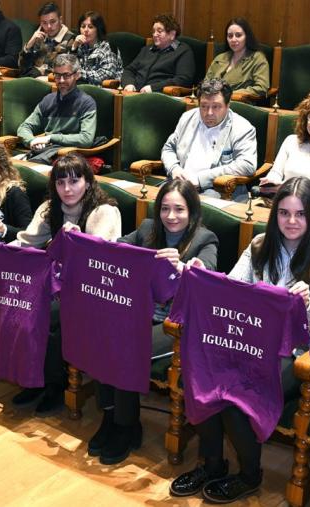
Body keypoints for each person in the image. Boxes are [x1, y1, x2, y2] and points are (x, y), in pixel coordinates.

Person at [170, 176, 310, 503]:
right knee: (200, 374)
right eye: (284, 213)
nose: (291, 222)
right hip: (246, 341)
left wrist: (307, 305)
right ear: (274, 214)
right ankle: (212, 464)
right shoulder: (259, 245)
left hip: (296, 354)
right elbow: (233, 291)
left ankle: (250, 475)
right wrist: (202, 276)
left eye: (300, 214)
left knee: (238, 395)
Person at [90, 179, 218, 465]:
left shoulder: (205, 239)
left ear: (192, 212)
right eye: (165, 208)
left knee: (125, 348)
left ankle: (127, 426)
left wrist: (184, 269)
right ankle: (110, 417)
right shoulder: (148, 229)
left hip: (176, 325)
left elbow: (208, 279)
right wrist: (87, 237)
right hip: (139, 313)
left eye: (179, 209)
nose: (171, 216)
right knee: (101, 336)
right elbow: (114, 250)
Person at [10, 152, 121, 413]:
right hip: (60, 286)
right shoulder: (51, 209)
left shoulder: (104, 211)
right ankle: (36, 380)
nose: (67, 189)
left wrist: (79, 239)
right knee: (24, 306)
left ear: (89, 182)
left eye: (74, 181)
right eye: (60, 183)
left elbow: (99, 260)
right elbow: (26, 242)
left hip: (93, 293)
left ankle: (55, 387)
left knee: (46, 317)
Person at [162, 79, 257, 200]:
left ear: (228, 105)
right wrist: (174, 168)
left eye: (216, 107)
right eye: (204, 106)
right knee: (158, 199)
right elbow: (168, 148)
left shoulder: (242, 128)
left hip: (217, 189)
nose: (209, 113)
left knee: (201, 205)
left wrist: (200, 179)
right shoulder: (187, 118)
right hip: (180, 184)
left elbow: (247, 165)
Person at [17, 54, 96, 157]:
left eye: (66, 75)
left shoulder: (87, 102)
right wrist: (31, 141)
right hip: (45, 152)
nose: (61, 80)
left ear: (77, 75)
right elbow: (24, 127)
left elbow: (86, 139)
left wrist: (50, 138)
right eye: (57, 75)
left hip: (70, 157)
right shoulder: (48, 100)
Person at [121, 13, 194, 93]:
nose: (155, 34)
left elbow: (183, 79)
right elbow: (129, 70)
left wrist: (153, 88)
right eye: (153, 31)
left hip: (160, 96)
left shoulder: (183, 51)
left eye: (159, 31)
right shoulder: (146, 50)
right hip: (134, 93)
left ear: (172, 34)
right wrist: (129, 84)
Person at [204, 18, 269, 98]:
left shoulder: (257, 58)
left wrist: (230, 95)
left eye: (238, 35)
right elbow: (206, 84)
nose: (233, 39)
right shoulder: (220, 58)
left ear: (247, 36)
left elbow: (261, 88)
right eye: (230, 36)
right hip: (212, 103)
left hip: (239, 104)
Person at [19, 2, 73, 80]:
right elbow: (22, 68)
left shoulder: (70, 39)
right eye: (44, 23)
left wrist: (40, 76)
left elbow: (66, 72)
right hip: (31, 82)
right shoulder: (39, 37)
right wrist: (29, 45)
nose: (49, 27)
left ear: (60, 20)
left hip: (54, 85)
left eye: (53, 22)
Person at [70, 11, 122, 86]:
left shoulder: (108, 47)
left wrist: (80, 74)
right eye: (83, 26)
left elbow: (107, 74)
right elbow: (67, 67)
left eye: (90, 27)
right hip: (83, 87)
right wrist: (74, 47)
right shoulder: (81, 45)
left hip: (106, 90)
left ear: (98, 29)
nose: (86, 30)